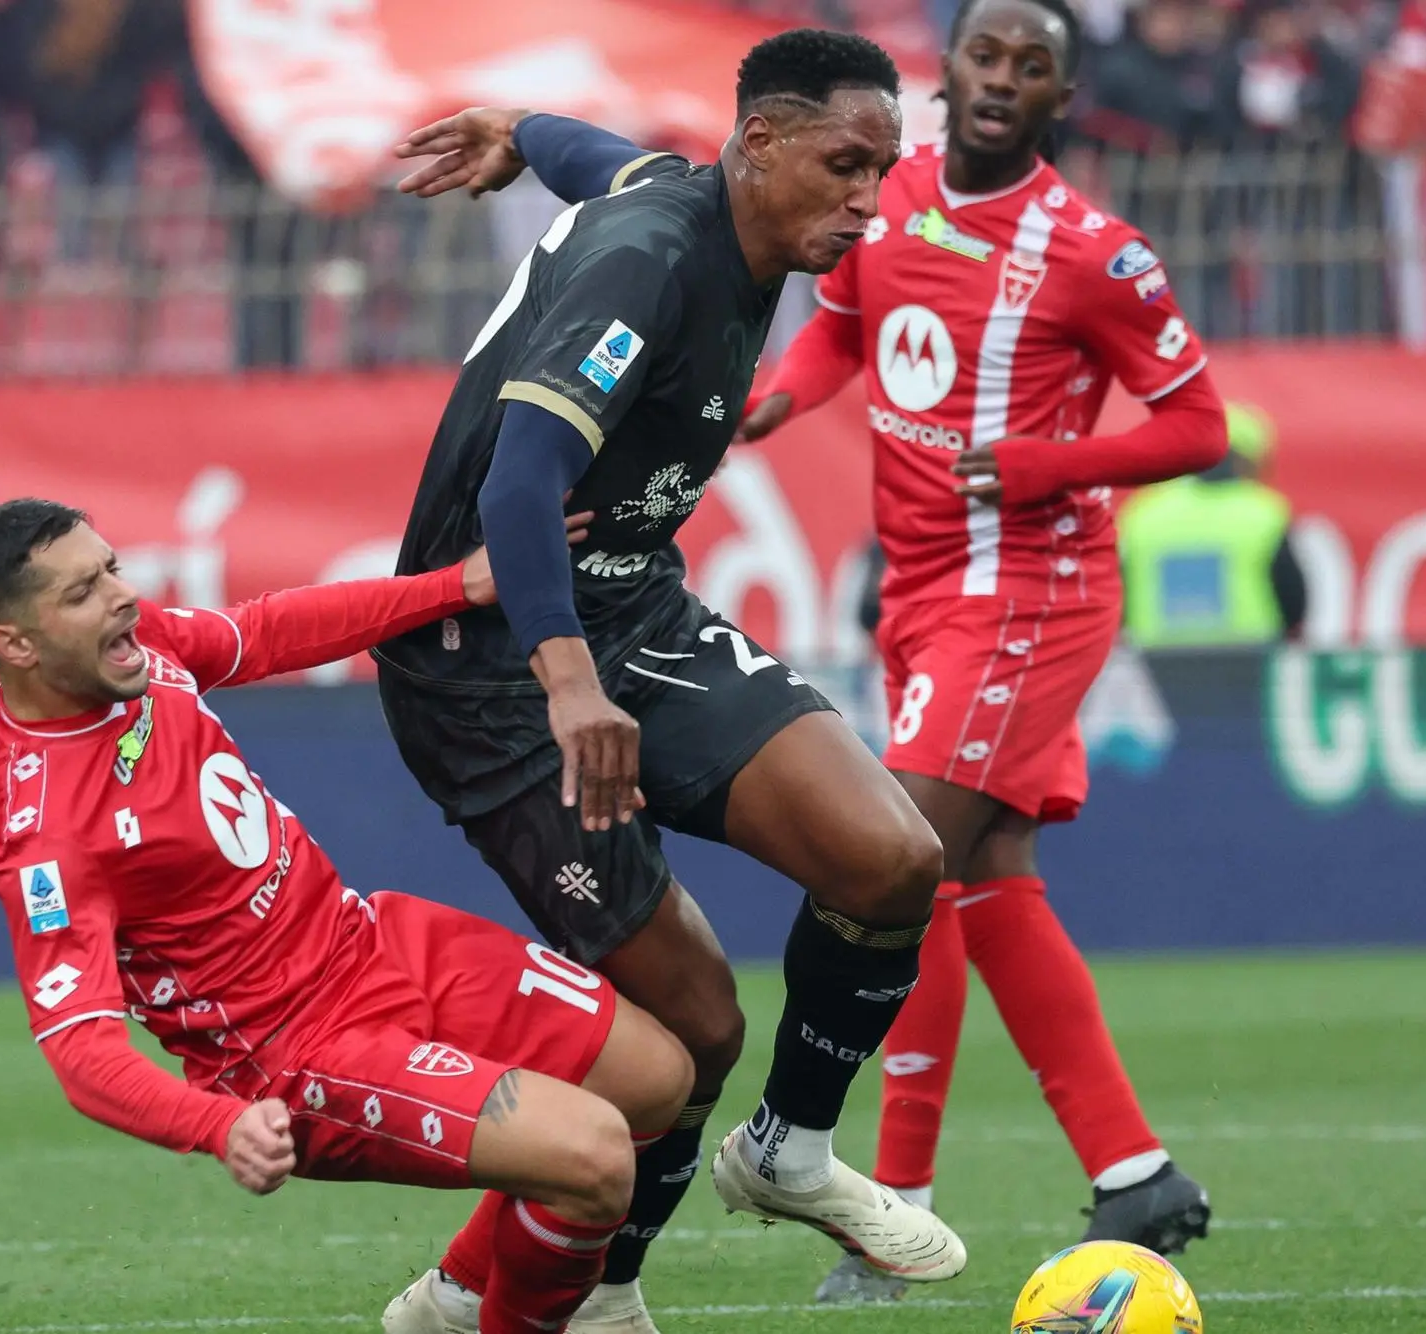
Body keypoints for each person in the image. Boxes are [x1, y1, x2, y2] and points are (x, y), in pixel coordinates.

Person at [373, 28, 966, 1334]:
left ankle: (788, 1148)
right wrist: (570, 684)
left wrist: (513, 129)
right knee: (690, 1019)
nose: (868, 200)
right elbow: (520, 482)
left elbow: (586, 153)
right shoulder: (648, 265)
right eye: (844, 166)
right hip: (490, 659)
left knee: (893, 859)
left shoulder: (687, 192)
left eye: (885, 170)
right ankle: (566, 1291)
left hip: (631, 603)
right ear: (757, 145)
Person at [737, 0, 1229, 1301]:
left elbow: (1198, 425)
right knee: (983, 866)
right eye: (987, 54)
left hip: (1027, 593)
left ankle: (888, 1200)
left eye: (1034, 66)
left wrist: (1046, 464)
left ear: (1063, 97)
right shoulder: (888, 193)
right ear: (946, 67)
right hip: (919, 584)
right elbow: (842, 320)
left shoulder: (1094, 255)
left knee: (889, 859)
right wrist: (771, 402)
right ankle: (1134, 1169)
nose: (1004, 79)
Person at [0, 498, 696, 1334]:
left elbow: (265, 632)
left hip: (365, 941)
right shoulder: (42, 827)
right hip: (294, 1054)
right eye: (83, 591)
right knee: (591, 1158)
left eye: (112, 567)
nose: (121, 595)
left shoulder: (132, 642)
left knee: (655, 1081)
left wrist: (452, 585)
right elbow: (81, 1051)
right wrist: (218, 1124)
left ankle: (449, 1304)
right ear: (15, 643)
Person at [1117, 401, 1307, 648]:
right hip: (1247, 660)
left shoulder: (1143, 512)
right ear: (1245, 462)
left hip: (1156, 661)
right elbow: (1293, 599)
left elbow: (1116, 593)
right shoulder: (1263, 512)